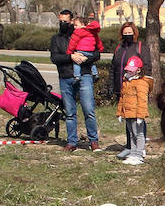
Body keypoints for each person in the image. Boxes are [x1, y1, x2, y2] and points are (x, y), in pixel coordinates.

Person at [50, 10, 102, 151]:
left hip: (84, 76)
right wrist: (70, 57)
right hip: (65, 78)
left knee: (88, 110)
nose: (63, 24)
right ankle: (71, 141)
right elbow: (54, 58)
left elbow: (97, 54)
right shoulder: (56, 39)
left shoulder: (83, 33)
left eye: (66, 21)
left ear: (72, 21)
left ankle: (93, 141)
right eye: (61, 21)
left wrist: (87, 59)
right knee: (70, 112)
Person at [115, 56, 152, 165]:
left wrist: (141, 116)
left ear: (139, 70)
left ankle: (139, 154)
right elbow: (122, 98)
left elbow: (142, 101)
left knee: (139, 134)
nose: (128, 72)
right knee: (131, 134)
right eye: (128, 69)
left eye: (131, 70)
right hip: (128, 113)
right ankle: (133, 152)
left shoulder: (141, 83)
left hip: (137, 114)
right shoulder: (126, 82)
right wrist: (120, 113)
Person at [110, 21, 147, 99]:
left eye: (129, 32)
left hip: (134, 88)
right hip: (119, 87)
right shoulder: (119, 48)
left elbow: (147, 67)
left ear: (134, 33)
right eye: (125, 33)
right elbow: (113, 67)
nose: (127, 35)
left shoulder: (140, 47)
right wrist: (111, 85)